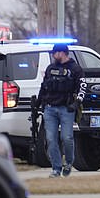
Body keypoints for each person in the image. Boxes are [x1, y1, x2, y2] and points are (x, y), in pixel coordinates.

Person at [37, 43, 86, 178]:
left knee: (67, 138)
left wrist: (76, 104)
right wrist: (39, 102)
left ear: (62, 53)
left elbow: (82, 88)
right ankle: (56, 169)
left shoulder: (75, 69)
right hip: (50, 109)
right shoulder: (50, 68)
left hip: (66, 109)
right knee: (51, 139)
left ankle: (69, 163)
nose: (53, 55)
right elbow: (44, 86)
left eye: (55, 53)